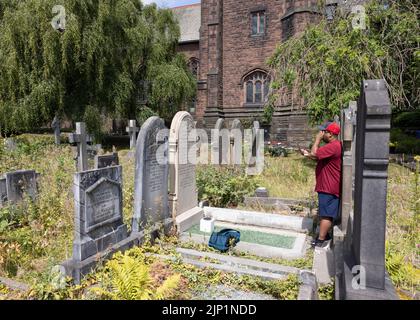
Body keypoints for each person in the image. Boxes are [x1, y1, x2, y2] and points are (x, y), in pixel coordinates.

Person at [300, 122, 342, 247]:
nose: (321, 134)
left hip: (329, 186)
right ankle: (326, 234)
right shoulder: (334, 145)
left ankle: (320, 240)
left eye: (323, 132)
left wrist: (317, 140)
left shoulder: (333, 146)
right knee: (326, 211)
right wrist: (308, 155)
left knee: (326, 214)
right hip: (328, 184)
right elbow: (317, 157)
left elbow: (315, 153)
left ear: (330, 134)